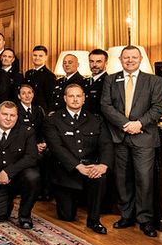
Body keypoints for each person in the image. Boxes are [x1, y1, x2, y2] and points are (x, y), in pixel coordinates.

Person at [100, 45, 162, 237]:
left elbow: (158, 108)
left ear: (140, 59)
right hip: (120, 137)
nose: (129, 60)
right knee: (122, 179)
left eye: (133, 57)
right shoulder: (111, 79)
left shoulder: (154, 80)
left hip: (144, 137)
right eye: (126, 57)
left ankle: (145, 220)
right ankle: (126, 215)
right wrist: (126, 124)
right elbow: (106, 105)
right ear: (120, 60)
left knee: (144, 180)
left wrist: (139, 124)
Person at [44, 84, 113, 234]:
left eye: (78, 96)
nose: (75, 100)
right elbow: (57, 148)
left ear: (83, 98)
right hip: (66, 173)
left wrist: (103, 165)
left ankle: (94, 220)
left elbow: (106, 144)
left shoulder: (95, 119)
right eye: (71, 96)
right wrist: (78, 166)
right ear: (65, 98)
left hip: (90, 169)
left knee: (100, 177)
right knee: (67, 216)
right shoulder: (53, 120)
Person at [0, 101, 40, 229]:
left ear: (17, 116)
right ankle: (8, 200)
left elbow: (31, 157)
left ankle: (25, 215)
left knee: (33, 176)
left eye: (12, 115)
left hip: (18, 178)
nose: (8, 118)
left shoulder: (26, 132)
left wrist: (8, 172)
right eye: (5, 114)